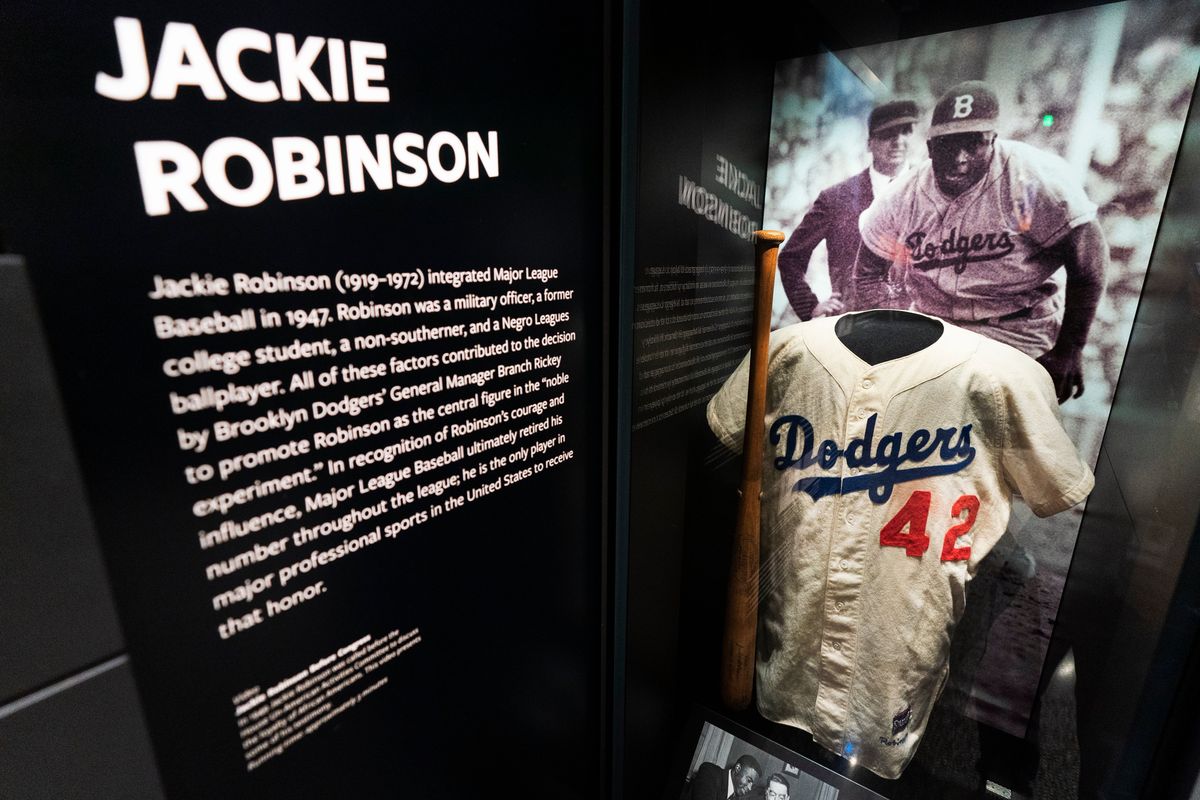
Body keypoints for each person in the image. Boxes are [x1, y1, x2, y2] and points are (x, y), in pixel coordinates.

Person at [854, 80, 1109, 402]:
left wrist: (1070, 349)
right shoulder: (902, 196)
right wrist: (890, 325)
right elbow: (867, 272)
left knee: (997, 432)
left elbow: (1089, 263)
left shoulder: (1033, 178)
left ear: (992, 141)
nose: (959, 158)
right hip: (937, 327)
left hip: (1018, 331)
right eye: (948, 144)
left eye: (972, 143)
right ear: (930, 147)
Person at [777, 99, 919, 320]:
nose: (898, 141)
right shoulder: (836, 198)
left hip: (915, 326)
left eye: (905, 132)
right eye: (888, 134)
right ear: (869, 143)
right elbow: (790, 258)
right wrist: (810, 307)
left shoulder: (930, 190)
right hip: (853, 328)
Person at [682, 753, 762, 800]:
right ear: (737, 768)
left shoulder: (734, 797)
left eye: (753, 785)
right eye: (749, 780)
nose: (750, 788)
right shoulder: (710, 772)